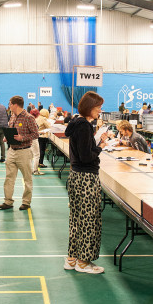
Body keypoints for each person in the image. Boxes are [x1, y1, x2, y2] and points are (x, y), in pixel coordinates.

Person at [64, 91, 109, 274]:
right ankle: (83, 262)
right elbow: (85, 156)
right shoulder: (84, 126)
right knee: (89, 220)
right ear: (90, 107)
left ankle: (72, 259)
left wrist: (96, 140)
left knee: (77, 220)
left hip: (76, 177)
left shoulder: (77, 123)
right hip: (86, 179)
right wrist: (100, 147)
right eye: (98, 107)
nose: (100, 110)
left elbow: (82, 150)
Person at [0, 96, 39, 211]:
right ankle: (8, 201)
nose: (9, 106)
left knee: (27, 178)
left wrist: (23, 138)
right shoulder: (12, 116)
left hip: (24, 151)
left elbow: (36, 134)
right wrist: (7, 138)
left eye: (10, 104)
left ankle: (26, 202)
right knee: (9, 178)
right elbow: (12, 131)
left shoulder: (29, 118)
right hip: (11, 151)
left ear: (15, 105)